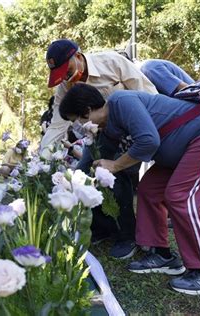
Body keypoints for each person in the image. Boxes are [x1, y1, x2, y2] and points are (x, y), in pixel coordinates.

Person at [59, 83, 200, 295]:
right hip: (185, 147)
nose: (77, 126)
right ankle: (161, 254)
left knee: (182, 197)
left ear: (87, 111)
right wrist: (69, 183)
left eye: (76, 120)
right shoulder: (108, 128)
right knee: (149, 190)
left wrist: (115, 165)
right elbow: (92, 160)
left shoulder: (121, 102)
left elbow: (148, 141)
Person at [42, 39, 158, 259]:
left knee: (119, 175)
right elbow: (57, 124)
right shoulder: (64, 88)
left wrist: (153, 127)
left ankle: (127, 235)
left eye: (66, 71)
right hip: (99, 135)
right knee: (83, 173)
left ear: (77, 56)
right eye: (60, 76)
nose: (65, 79)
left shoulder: (111, 62)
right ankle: (104, 227)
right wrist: (41, 157)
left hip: (129, 128)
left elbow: (145, 90)